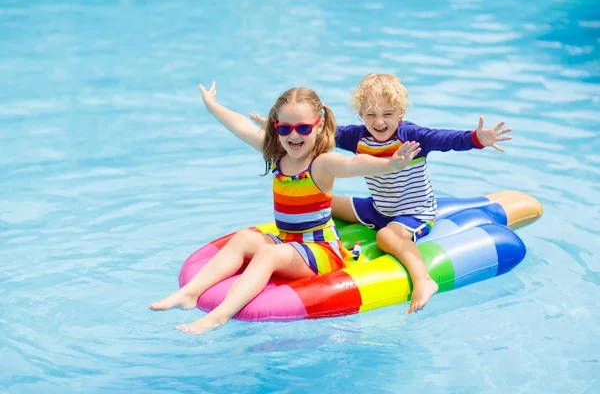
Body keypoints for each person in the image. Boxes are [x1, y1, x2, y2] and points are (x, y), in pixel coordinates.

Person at [149, 82, 421, 334]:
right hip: (288, 241)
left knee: (269, 254)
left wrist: (390, 165)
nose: (294, 136)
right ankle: (191, 293)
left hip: (320, 251)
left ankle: (218, 316)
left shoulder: (322, 163)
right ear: (276, 127)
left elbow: (355, 164)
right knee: (244, 237)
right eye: (285, 128)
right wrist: (213, 106)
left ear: (319, 125)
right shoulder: (278, 156)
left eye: (303, 128)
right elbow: (242, 127)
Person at [250, 73, 512, 314]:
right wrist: (282, 129)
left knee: (387, 236)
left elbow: (445, 139)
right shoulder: (357, 138)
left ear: (401, 112)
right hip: (378, 208)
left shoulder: (412, 136)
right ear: (360, 113)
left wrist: (476, 139)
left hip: (414, 212)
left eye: (388, 113)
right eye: (371, 114)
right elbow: (317, 133)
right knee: (323, 202)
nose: (379, 121)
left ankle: (423, 280)